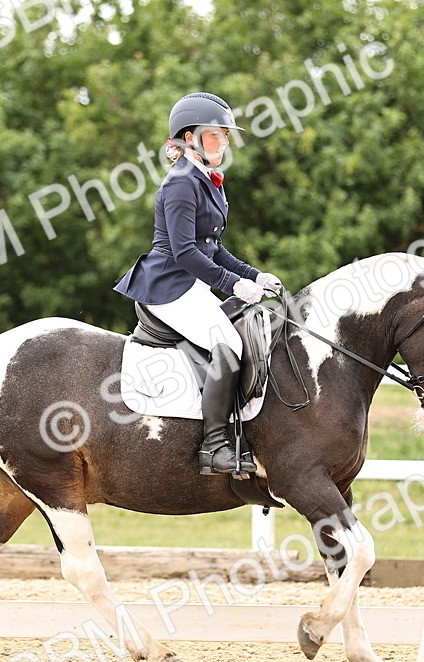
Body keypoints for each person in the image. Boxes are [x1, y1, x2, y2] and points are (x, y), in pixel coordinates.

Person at [114, 92, 282, 475]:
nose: (222, 142)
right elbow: (186, 252)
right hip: (168, 287)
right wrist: (235, 286)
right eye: (214, 135)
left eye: (224, 135)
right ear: (189, 138)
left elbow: (214, 248)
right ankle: (215, 446)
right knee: (229, 343)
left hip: (191, 284)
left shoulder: (210, 181)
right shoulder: (179, 184)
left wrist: (254, 275)